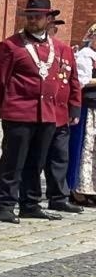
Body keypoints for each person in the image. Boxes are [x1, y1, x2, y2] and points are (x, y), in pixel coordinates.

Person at [0, 0, 82, 224]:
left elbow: (69, 80)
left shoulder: (59, 48)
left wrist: (72, 107)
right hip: (19, 113)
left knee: (36, 162)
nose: (32, 20)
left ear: (49, 19)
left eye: (37, 17)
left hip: (48, 114)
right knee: (13, 161)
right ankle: (5, 205)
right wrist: (9, 107)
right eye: (29, 16)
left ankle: (30, 204)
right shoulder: (10, 46)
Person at [36, 18, 85, 216]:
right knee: (36, 158)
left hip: (60, 113)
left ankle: (59, 197)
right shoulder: (33, 49)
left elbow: (73, 81)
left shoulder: (64, 49)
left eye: (55, 27)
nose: (53, 30)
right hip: (39, 114)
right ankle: (28, 198)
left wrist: (75, 108)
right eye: (50, 26)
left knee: (60, 157)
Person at [68, 23, 96, 205]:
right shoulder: (85, 55)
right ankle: (79, 190)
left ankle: (92, 188)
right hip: (89, 107)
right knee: (86, 147)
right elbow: (81, 81)